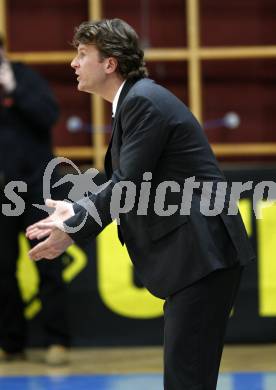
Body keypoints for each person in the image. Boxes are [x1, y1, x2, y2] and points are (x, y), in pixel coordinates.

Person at [26, 19, 255, 388]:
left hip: (202, 254)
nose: (73, 63)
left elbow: (126, 184)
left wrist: (74, 227)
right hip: (198, 257)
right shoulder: (137, 100)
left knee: (186, 380)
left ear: (110, 63)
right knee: (187, 379)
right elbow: (126, 179)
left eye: (82, 54)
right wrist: (77, 212)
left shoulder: (143, 102)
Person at [0, 36, 70, 365]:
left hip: (34, 191)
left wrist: (13, 89)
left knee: (48, 264)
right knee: (2, 270)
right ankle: (12, 343)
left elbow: (48, 115)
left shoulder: (25, 77)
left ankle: (58, 340)